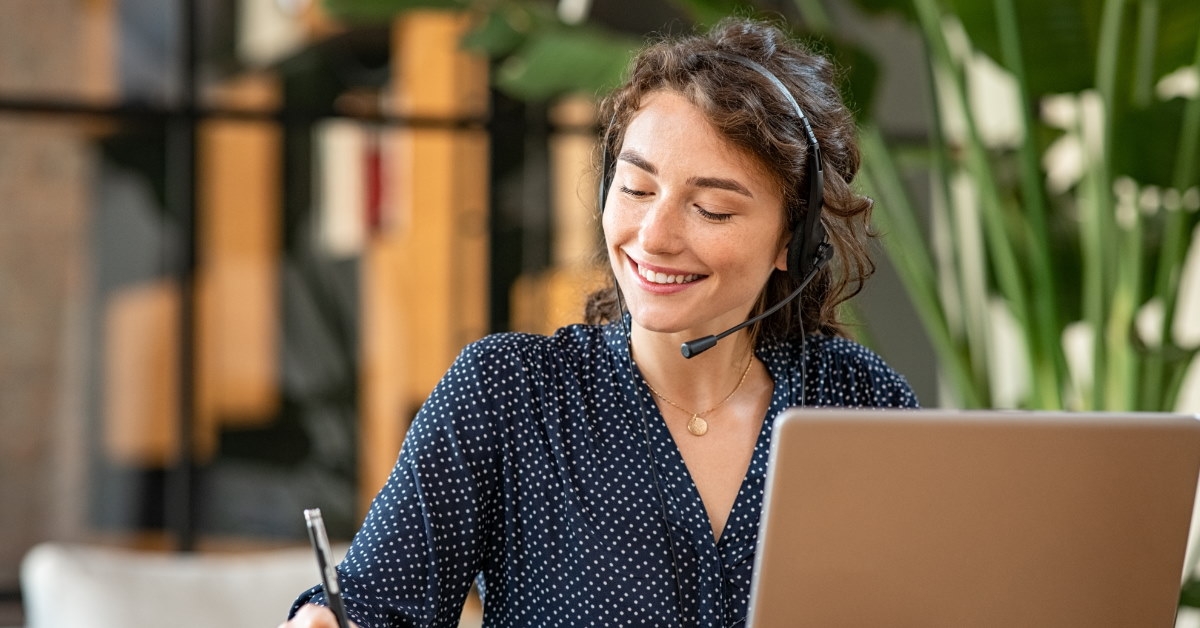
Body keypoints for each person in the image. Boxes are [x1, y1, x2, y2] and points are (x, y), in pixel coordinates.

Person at [282, 15, 918, 628]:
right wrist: (325, 619)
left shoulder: (860, 403)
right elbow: (373, 605)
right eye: (637, 191)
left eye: (712, 209)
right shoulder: (510, 393)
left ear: (793, 242)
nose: (654, 236)